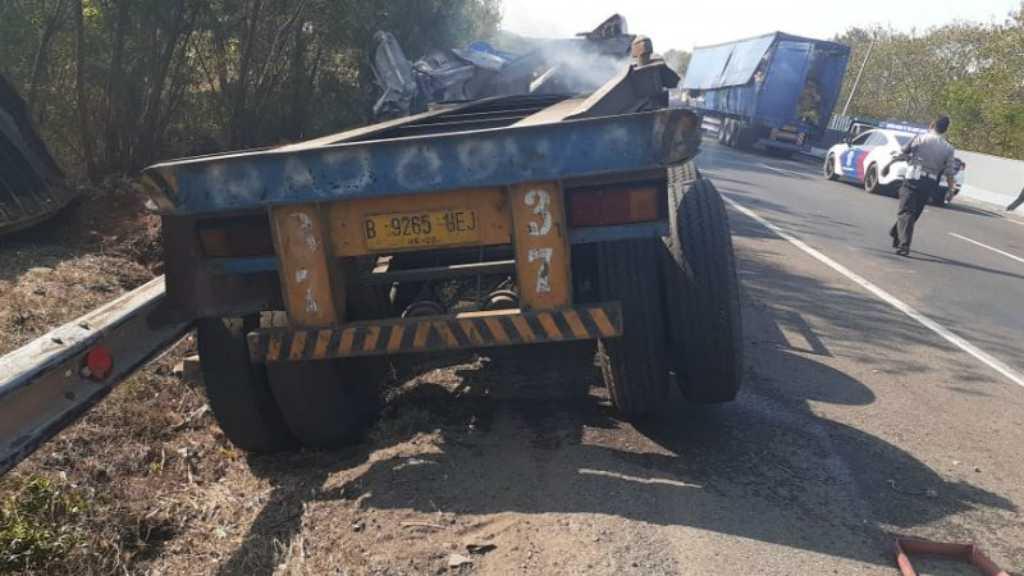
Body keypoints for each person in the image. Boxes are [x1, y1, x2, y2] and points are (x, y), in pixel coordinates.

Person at [884, 115, 958, 256]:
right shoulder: (949, 148)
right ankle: (896, 233)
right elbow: (949, 172)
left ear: (932, 125)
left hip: (913, 178)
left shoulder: (920, 138)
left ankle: (904, 245)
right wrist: (950, 189)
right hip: (929, 184)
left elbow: (903, 152)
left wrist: (889, 165)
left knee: (907, 212)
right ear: (946, 130)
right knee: (914, 213)